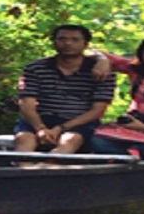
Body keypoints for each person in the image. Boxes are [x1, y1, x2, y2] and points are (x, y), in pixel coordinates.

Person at [14, 24, 117, 156]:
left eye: (75, 40)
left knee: (69, 141)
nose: (68, 43)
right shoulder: (36, 68)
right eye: (62, 39)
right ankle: (25, 171)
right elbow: (26, 103)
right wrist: (40, 128)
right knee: (24, 139)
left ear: (85, 44)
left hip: (79, 123)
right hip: (41, 119)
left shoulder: (100, 71)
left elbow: (97, 110)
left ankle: (49, 169)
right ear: (54, 43)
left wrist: (61, 128)